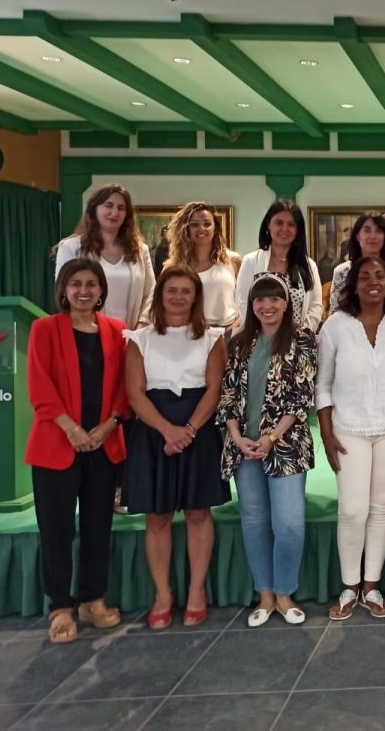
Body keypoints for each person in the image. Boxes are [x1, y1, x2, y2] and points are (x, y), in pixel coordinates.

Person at [26, 259, 130, 644]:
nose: (83, 291)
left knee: (97, 526)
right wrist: (71, 429)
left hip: (103, 443)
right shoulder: (44, 329)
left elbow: (125, 386)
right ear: (64, 290)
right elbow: (39, 386)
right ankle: (60, 607)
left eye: (91, 284)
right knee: (56, 530)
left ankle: (92, 599)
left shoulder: (117, 331)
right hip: (57, 443)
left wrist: (109, 425)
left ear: (101, 290)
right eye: (76, 284)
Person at [121, 266, 229, 629]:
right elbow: (135, 393)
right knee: (157, 516)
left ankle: (197, 591)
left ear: (196, 297)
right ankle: (162, 594)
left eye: (186, 291)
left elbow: (214, 389)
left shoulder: (212, 337)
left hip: (198, 429)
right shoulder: (139, 339)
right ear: (161, 296)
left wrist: (188, 431)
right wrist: (168, 431)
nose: (179, 297)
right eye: (172, 291)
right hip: (155, 431)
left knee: (198, 512)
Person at [318, 257, 385, 621]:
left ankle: (371, 586)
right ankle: (349, 586)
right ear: (353, 285)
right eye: (364, 277)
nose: (373, 282)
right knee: (352, 509)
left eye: (379, 276)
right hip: (348, 430)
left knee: (381, 507)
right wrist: (327, 434)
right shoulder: (335, 326)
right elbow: (323, 385)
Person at [219, 274, 317, 627]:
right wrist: (237, 436)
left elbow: (302, 395)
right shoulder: (239, 341)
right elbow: (228, 394)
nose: (267, 305)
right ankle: (265, 594)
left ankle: (285, 592)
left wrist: (271, 437)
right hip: (244, 447)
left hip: (286, 446)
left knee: (288, 523)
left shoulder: (303, 339)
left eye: (275, 298)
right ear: (251, 304)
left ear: (287, 303)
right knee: (255, 521)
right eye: (260, 299)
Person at [55, 183, 155, 328]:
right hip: (86, 332)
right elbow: (63, 291)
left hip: (132, 334)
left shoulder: (140, 250)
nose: (114, 212)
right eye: (109, 205)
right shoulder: (71, 247)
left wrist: (140, 328)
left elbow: (151, 292)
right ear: (94, 209)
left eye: (121, 208)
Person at [236, 200, 323, 331]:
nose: (284, 229)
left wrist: (301, 335)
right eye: (279, 223)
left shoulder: (309, 265)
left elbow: (315, 307)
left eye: (291, 225)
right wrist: (262, 334)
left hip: (297, 339)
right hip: (258, 337)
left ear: (298, 230)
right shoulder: (251, 261)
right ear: (268, 225)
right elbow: (242, 304)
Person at [164, 202, 240, 329]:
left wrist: (232, 331)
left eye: (207, 224)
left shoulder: (233, 260)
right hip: (189, 332)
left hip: (229, 330)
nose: (201, 228)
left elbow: (246, 302)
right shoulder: (173, 266)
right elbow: (162, 307)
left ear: (215, 228)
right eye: (195, 224)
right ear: (186, 229)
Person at [328, 212, 385, 315]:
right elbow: (335, 312)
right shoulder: (342, 272)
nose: (373, 236)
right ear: (357, 236)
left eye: (378, 231)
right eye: (367, 230)